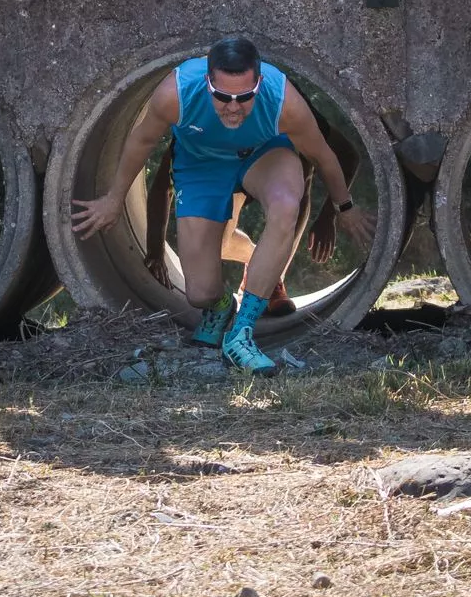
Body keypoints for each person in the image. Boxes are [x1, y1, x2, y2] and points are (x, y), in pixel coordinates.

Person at [70, 38, 373, 373]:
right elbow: (141, 141)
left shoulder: (283, 99)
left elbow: (324, 156)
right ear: (207, 82)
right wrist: (114, 200)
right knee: (198, 293)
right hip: (202, 164)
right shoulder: (177, 92)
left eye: (244, 97)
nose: (233, 107)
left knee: (287, 203)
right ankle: (221, 306)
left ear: (259, 82)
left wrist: (344, 208)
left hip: (264, 153)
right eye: (222, 96)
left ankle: (241, 333)